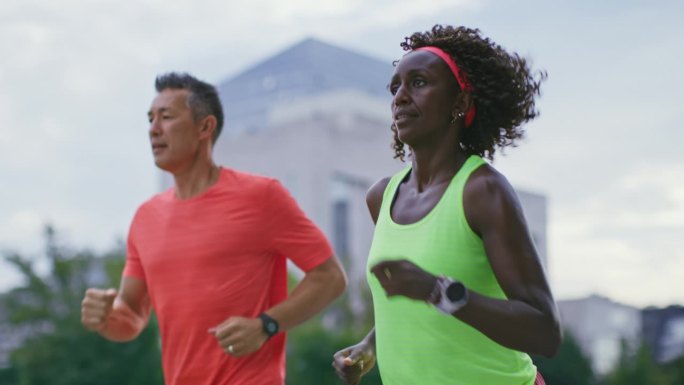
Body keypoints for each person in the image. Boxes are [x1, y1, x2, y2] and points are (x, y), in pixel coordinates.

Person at [81, 72, 347, 385]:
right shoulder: (145, 218)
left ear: (205, 127)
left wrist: (267, 325)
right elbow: (131, 316)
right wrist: (105, 317)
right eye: (150, 118)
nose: (153, 129)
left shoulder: (261, 197)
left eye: (166, 117)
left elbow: (330, 278)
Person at [332, 25, 561, 385]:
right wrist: (371, 345)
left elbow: (545, 331)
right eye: (396, 87)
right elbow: (412, 306)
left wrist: (438, 292)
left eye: (419, 82)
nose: (400, 98)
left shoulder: (482, 191)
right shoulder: (381, 196)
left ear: (461, 103)